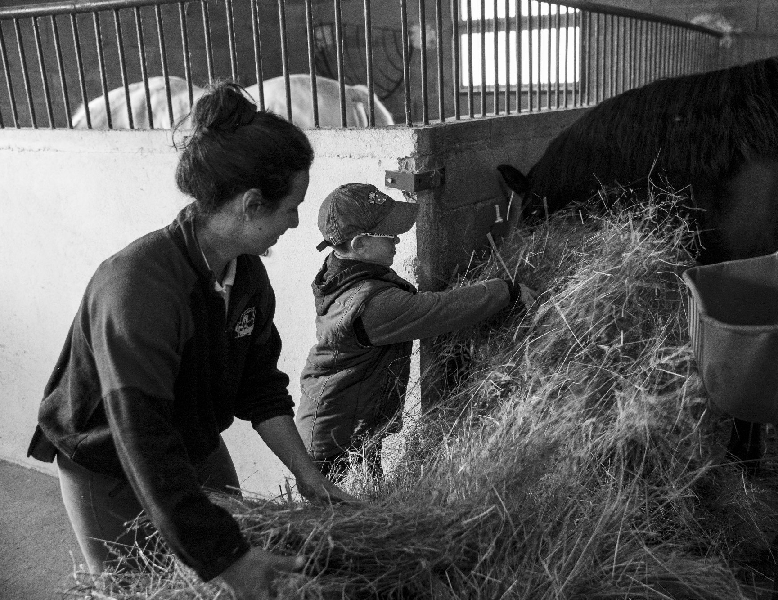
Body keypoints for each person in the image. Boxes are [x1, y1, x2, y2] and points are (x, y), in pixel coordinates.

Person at [26, 82, 353, 599]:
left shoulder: (245, 276)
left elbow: (259, 387)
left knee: (227, 561)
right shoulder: (138, 287)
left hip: (192, 441)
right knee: (137, 587)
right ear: (250, 204)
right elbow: (143, 440)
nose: (295, 223)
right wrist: (228, 559)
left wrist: (308, 477)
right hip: (110, 458)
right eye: (291, 207)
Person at [296, 183, 535, 479]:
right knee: (341, 516)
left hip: (350, 422)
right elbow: (437, 310)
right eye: (389, 234)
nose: (398, 239)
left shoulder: (343, 272)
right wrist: (505, 291)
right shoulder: (371, 304)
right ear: (359, 245)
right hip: (332, 440)